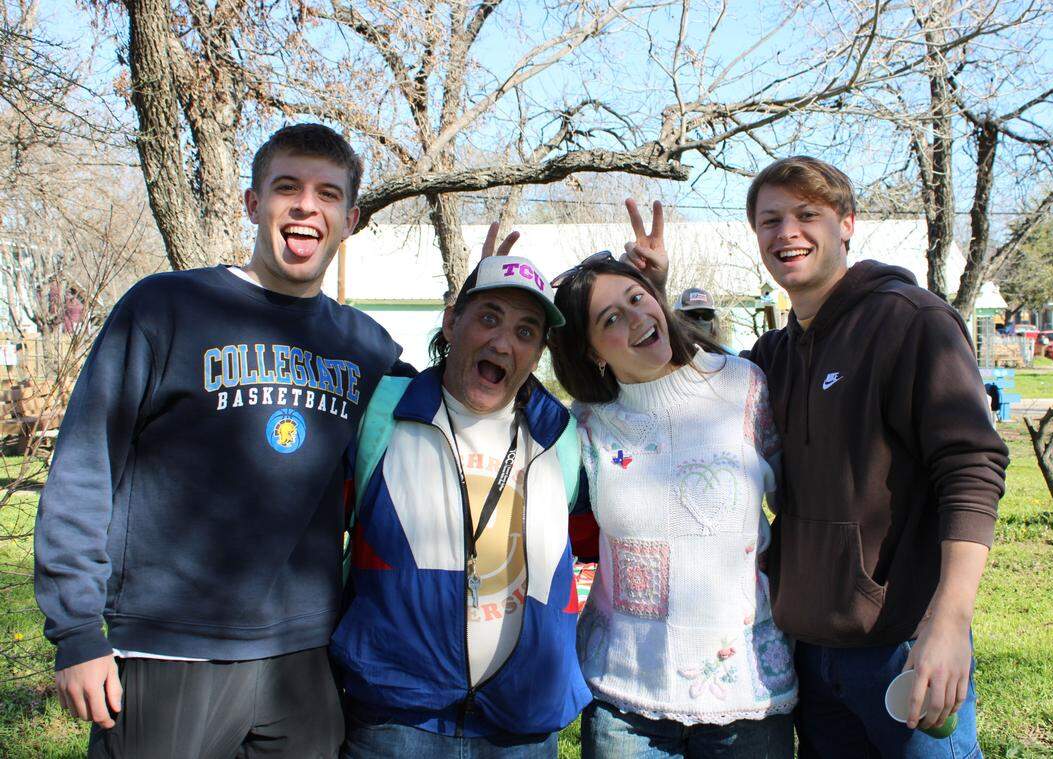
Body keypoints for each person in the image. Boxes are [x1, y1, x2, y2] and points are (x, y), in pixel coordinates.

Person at [34, 123, 409, 759]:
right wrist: (76, 631)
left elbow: (458, 411)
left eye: (327, 194)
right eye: (286, 187)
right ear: (252, 204)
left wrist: (473, 317)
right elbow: (84, 463)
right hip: (169, 644)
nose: (305, 206)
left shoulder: (366, 346)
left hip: (304, 656)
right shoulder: (166, 308)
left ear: (348, 220)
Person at [625, 157, 1009, 758]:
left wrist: (950, 621)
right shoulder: (776, 355)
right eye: (770, 220)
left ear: (847, 223)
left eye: (808, 215)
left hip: (902, 647)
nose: (787, 233)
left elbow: (972, 469)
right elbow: (694, 377)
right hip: (807, 653)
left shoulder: (910, 321)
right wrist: (653, 294)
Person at [332, 234, 592, 758]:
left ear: (539, 351)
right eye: (488, 318)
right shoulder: (382, 412)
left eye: (525, 331)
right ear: (452, 323)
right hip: (397, 719)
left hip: (520, 726)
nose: (503, 343)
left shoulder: (561, 436)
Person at [548, 248, 797, 758]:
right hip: (624, 697)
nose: (638, 317)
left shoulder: (742, 386)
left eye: (638, 298)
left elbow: (799, 500)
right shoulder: (588, 423)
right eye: (611, 318)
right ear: (592, 350)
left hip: (746, 689)